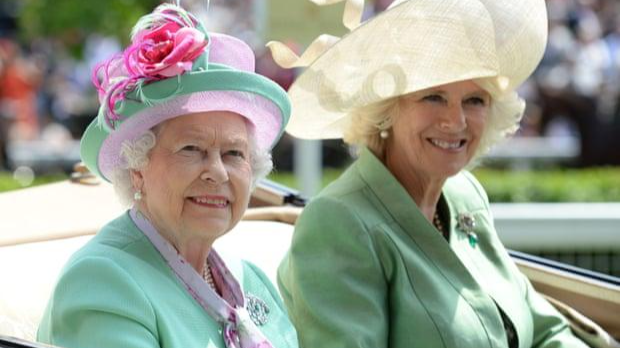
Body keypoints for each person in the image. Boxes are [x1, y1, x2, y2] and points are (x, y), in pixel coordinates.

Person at [268, 0, 590, 347]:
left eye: (475, 100)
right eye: (434, 97)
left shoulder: (464, 194)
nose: (456, 121)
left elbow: (545, 331)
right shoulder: (338, 222)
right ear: (386, 109)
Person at [37, 4, 298, 348]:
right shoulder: (104, 282)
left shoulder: (251, 279)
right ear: (137, 168)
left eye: (234, 154)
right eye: (192, 149)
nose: (217, 172)